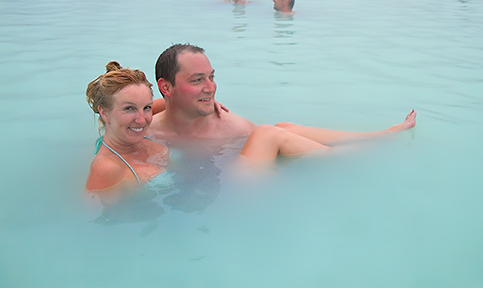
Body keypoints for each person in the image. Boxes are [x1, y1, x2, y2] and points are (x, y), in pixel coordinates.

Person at [150, 44, 417, 161]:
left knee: (276, 130)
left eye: (211, 77)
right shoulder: (143, 126)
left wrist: (196, 98)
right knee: (276, 129)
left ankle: (378, 139)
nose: (211, 88)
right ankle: (381, 136)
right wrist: (160, 105)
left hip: (249, 180)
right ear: (166, 87)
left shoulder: (233, 128)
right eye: (198, 80)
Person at [85, 61, 170, 203]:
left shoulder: (131, 135)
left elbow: (176, 102)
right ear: (105, 113)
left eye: (147, 107)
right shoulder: (105, 168)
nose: (142, 120)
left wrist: (206, 104)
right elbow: (102, 219)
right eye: (129, 108)